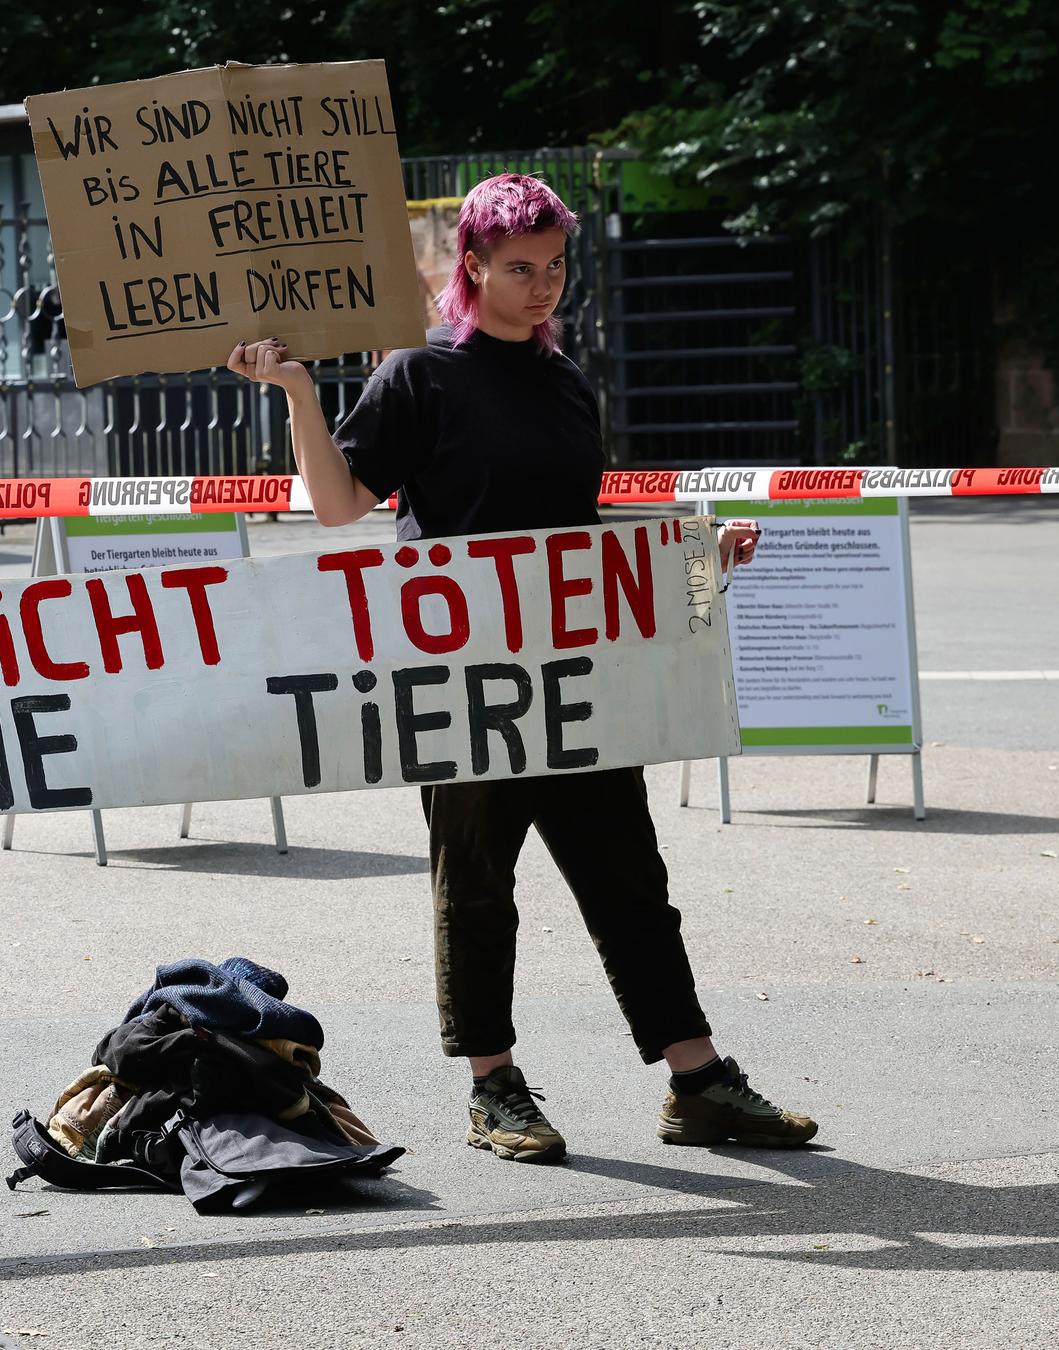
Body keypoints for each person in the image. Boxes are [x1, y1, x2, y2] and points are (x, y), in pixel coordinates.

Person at [226, 172, 815, 1164]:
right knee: (477, 886)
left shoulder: (566, 383)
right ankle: (493, 1086)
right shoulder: (420, 374)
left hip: (575, 680)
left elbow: (578, 543)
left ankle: (698, 1080)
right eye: (520, 270)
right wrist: (295, 395)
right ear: (472, 267)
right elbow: (338, 506)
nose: (543, 288)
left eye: (554, 268)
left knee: (631, 876)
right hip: (463, 682)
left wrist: (700, 556)